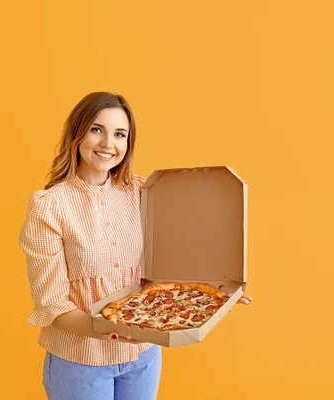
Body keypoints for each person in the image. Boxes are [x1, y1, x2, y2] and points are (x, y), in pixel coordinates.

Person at [18, 92, 252, 400]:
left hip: (143, 355)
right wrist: (117, 328)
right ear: (77, 133)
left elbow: (169, 263)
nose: (108, 144)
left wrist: (210, 296)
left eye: (119, 134)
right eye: (96, 129)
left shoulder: (142, 191)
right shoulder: (48, 206)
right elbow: (52, 304)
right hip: (80, 360)